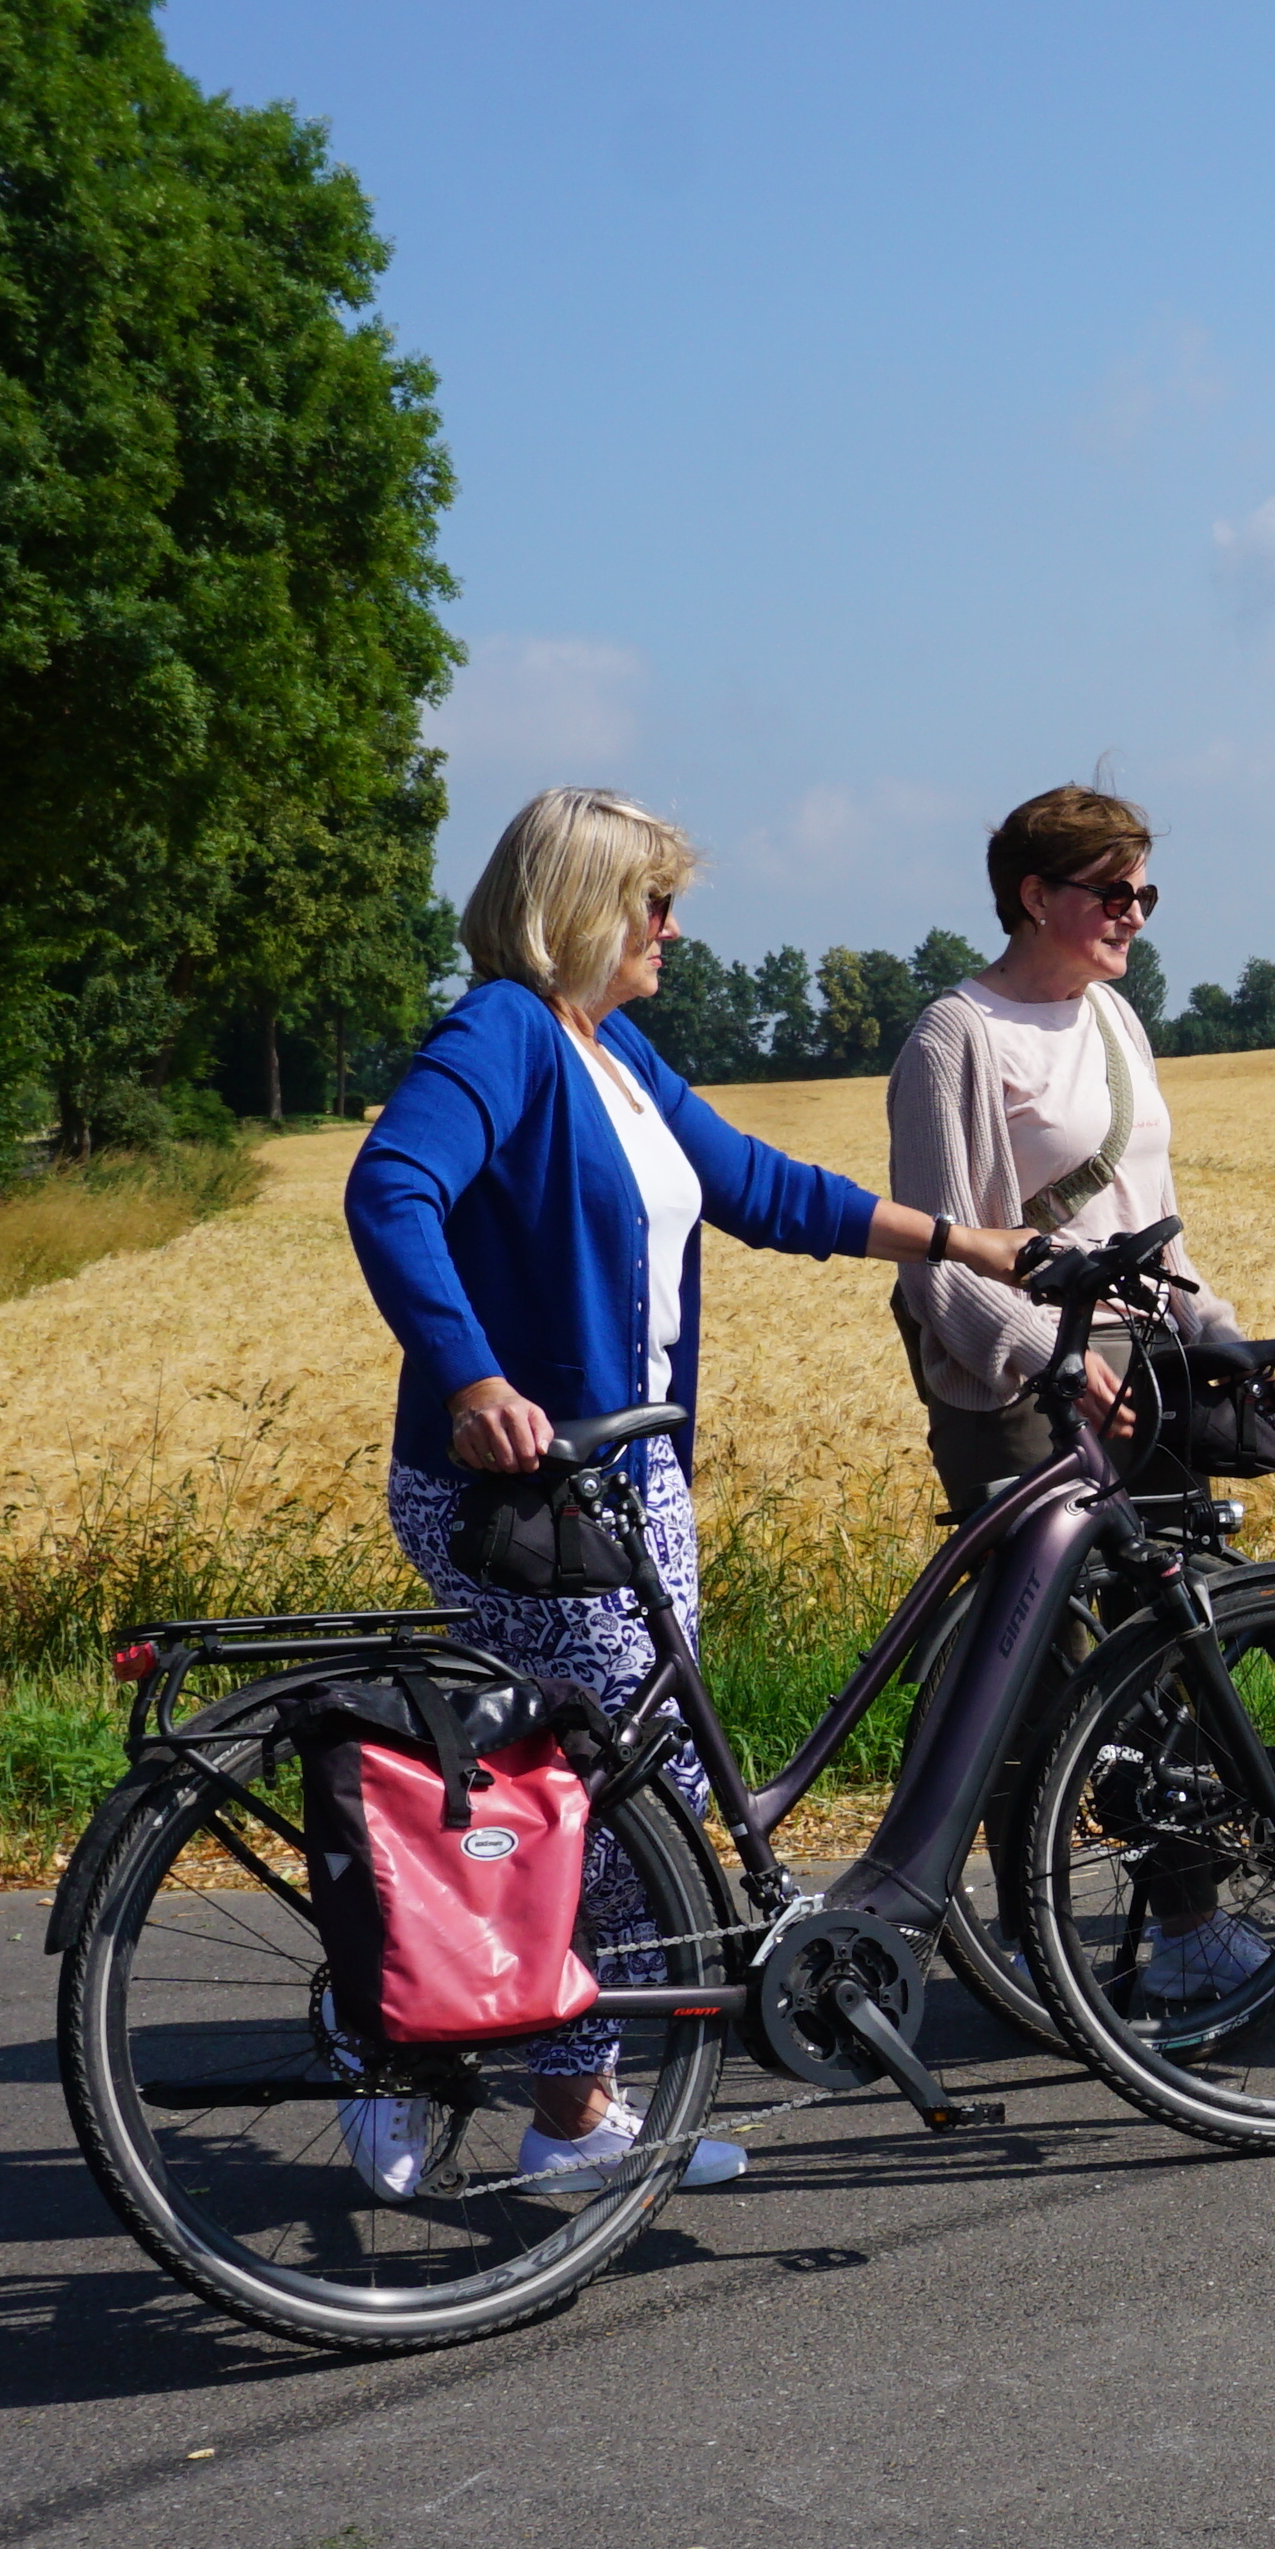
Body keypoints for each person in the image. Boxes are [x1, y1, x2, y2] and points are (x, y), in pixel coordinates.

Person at [340, 784, 1007, 2197]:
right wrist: (470, 1382)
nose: (675, 927)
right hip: (521, 1488)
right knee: (607, 1789)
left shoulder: (610, 1047)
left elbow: (758, 1188)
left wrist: (963, 1243)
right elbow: (391, 1190)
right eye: (653, 902)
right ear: (578, 905)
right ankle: (517, 2095)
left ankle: (519, 2076)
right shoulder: (507, 1033)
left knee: (636, 1781)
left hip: (628, 1477)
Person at [888, 782, 1243, 1521]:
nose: (1136, 917)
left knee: (1168, 1626)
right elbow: (937, 1266)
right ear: (1037, 897)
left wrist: (1214, 1329)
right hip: (1022, 1387)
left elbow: (1155, 1217)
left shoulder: (1113, 1015)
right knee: (1054, 1633)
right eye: (1115, 895)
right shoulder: (956, 1038)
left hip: (1149, 1359)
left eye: (1146, 896)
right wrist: (1052, 1359)